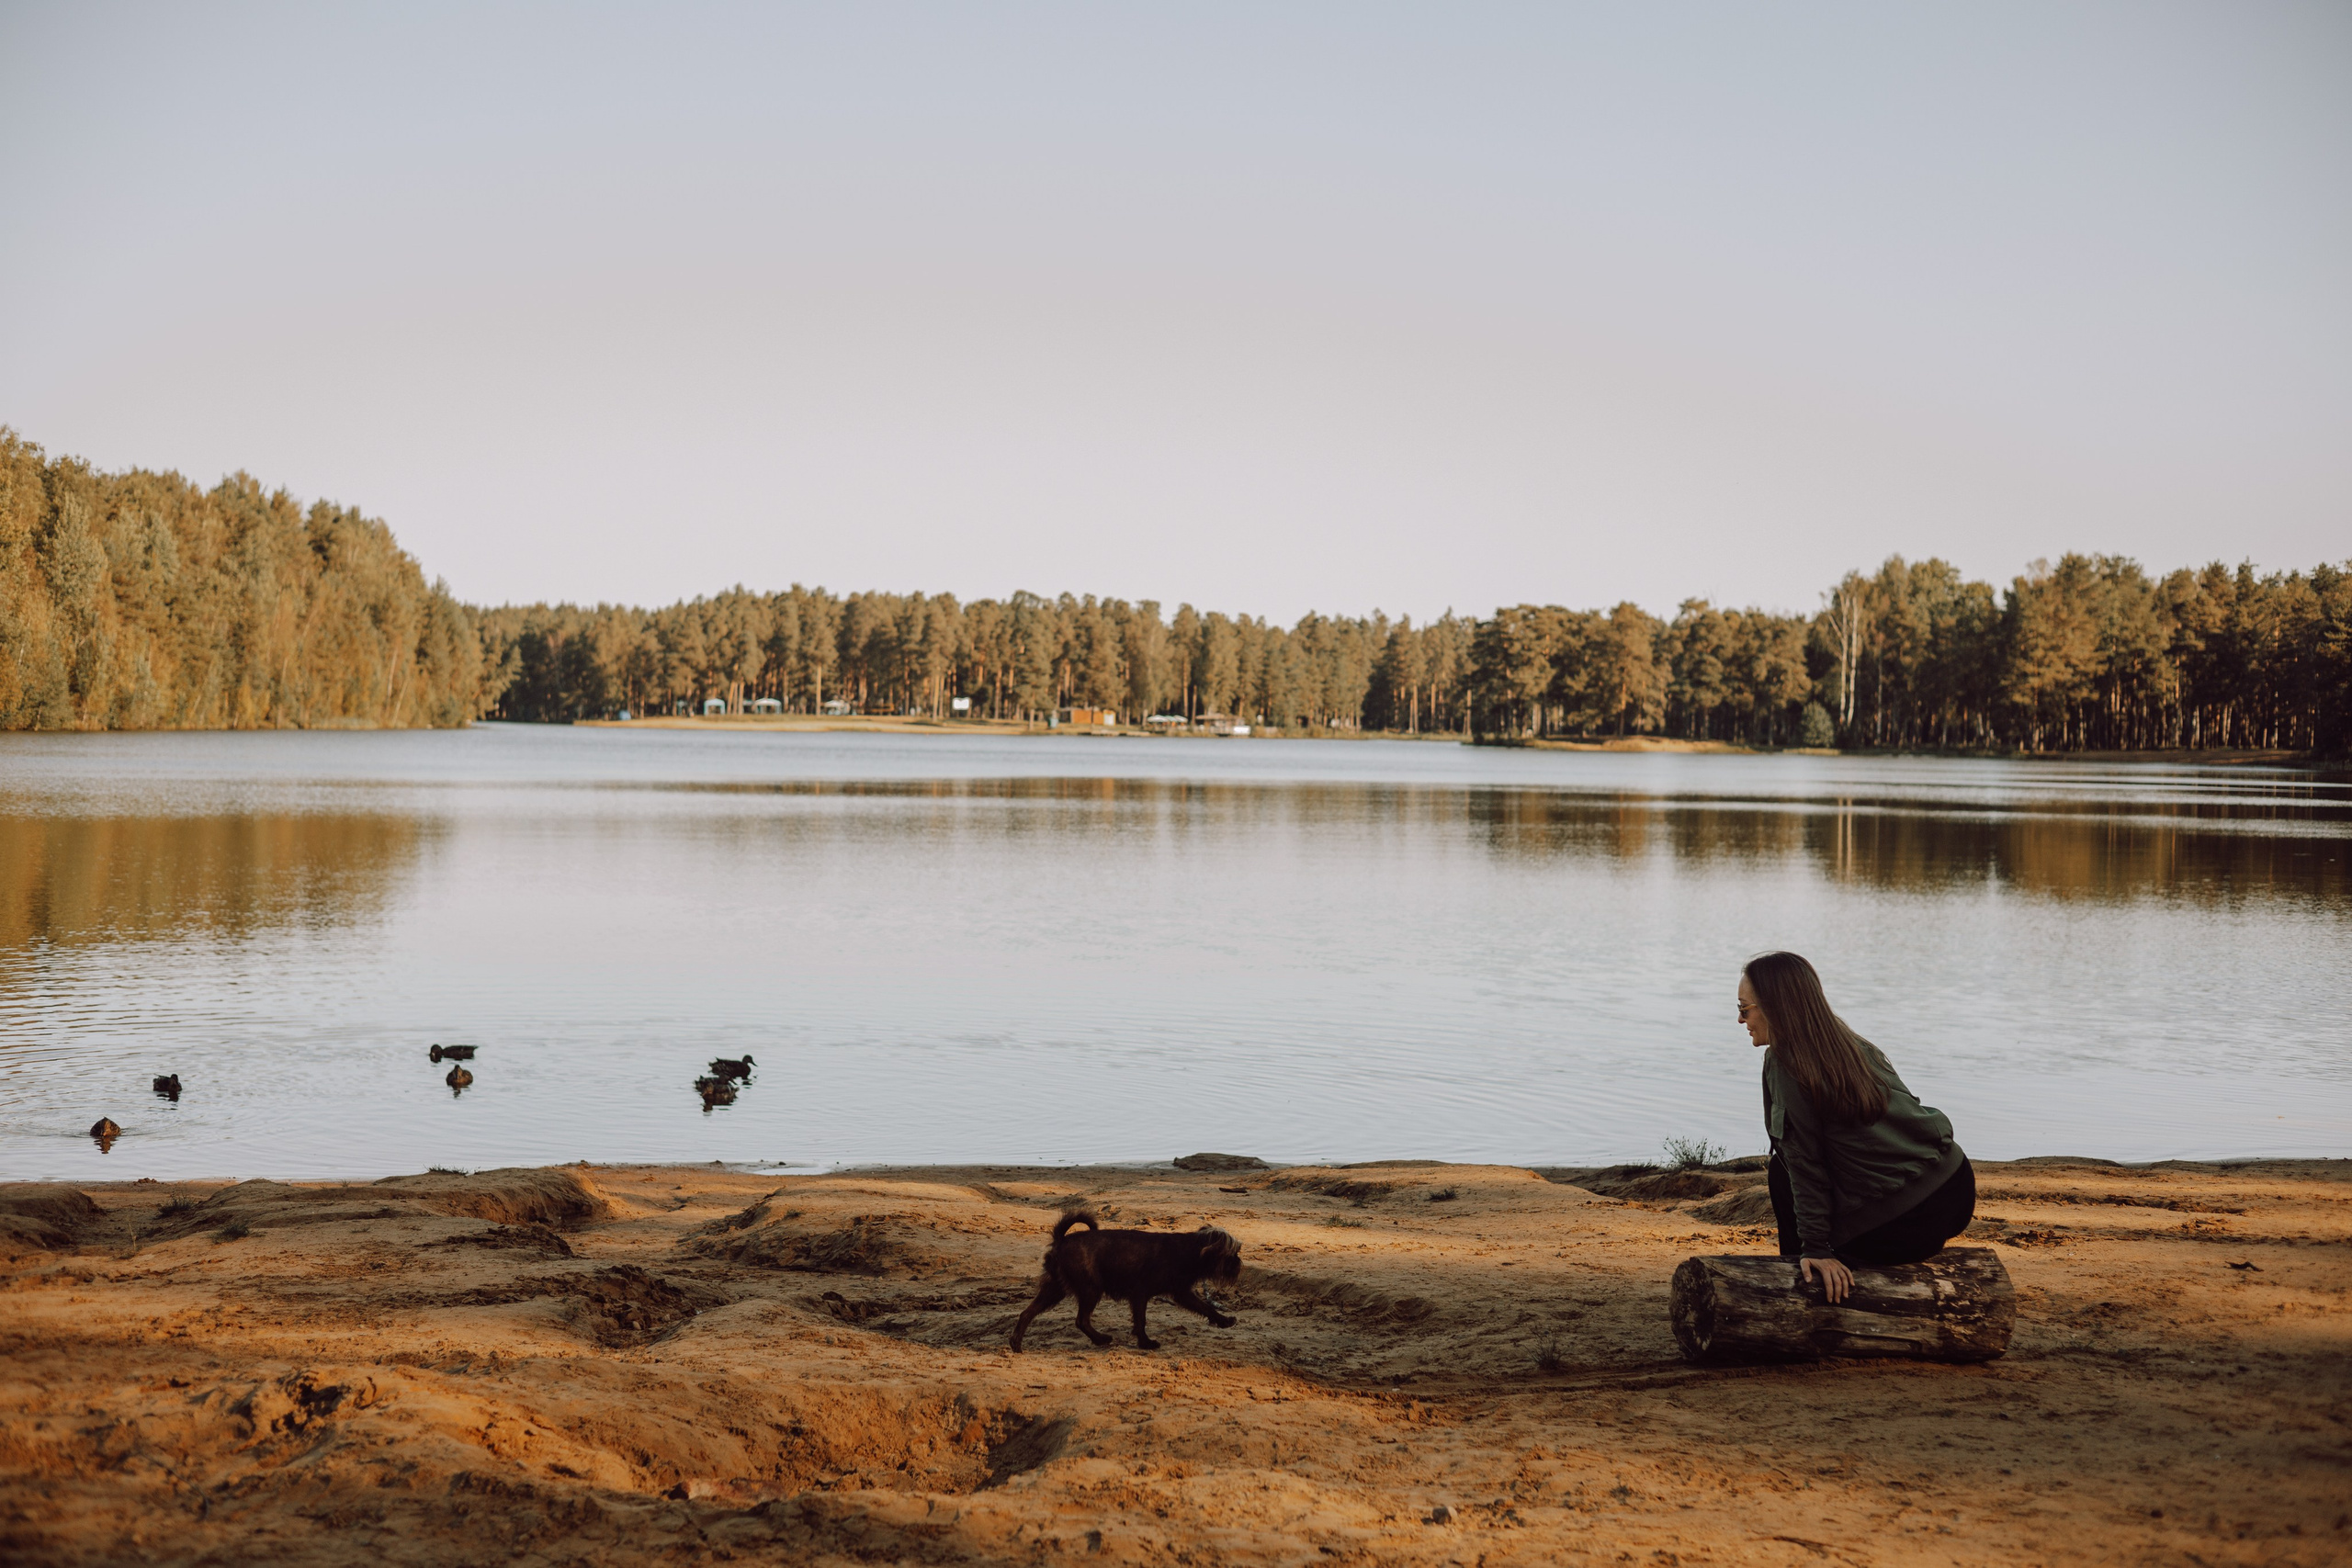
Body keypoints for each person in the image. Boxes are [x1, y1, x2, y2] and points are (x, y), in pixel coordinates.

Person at [1736, 951, 1974, 1303]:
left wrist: (1816, 1246)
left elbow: (1804, 1164)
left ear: (1774, 1005)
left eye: (1744, 1009)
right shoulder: (1849, 1043)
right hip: (1955, 1190)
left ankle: (1801, 1282)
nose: (1740, 1019)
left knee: (1780, 1172)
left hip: (1905, 1224)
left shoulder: (1784, 1061)